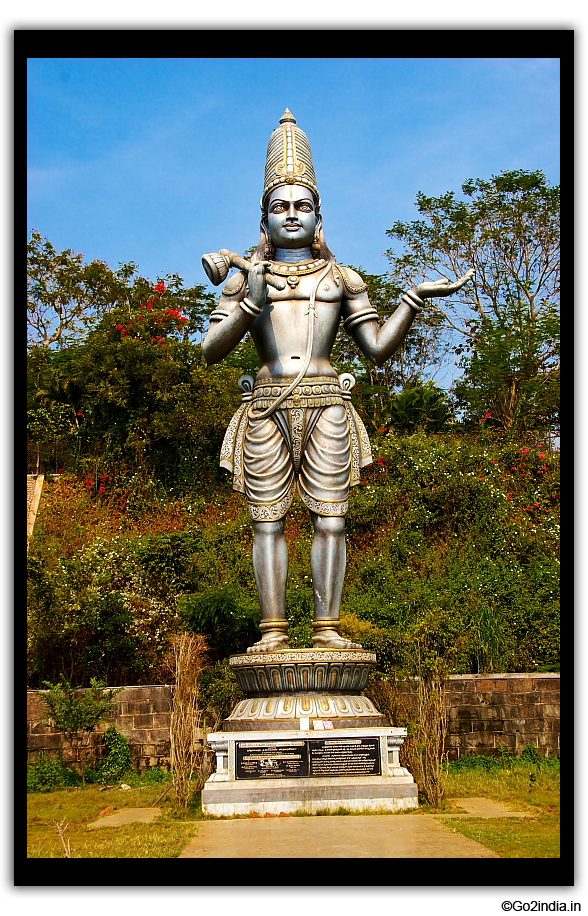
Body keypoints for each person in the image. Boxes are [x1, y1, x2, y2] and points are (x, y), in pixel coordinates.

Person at [202, 109, 473, 653]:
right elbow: (211, 350)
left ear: (319, 219)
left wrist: (413, 299)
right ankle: (272, 632)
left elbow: (375, 348)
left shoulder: (341, 278)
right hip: (266, 407)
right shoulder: (247, 279)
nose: (292, 214)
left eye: (303, 206)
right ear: (264, 222)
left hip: (327, 403)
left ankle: (327, 629)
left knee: (331, 521)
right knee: (267, 524)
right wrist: (250, 299)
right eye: (280, 207)